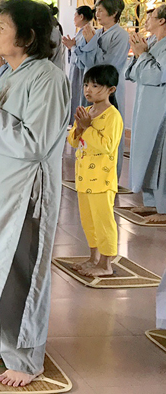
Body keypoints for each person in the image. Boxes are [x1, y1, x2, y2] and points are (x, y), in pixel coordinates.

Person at [0, 0, 70, 388]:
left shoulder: (48, 77)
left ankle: (27, 359)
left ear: (26, 36)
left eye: (2, 29)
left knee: (22, 272)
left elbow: (35, 144)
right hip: (0, 193)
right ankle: (3, 341)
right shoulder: (12, 74)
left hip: (27, 195)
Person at [67, 65, 123, 277]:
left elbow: (106, 146)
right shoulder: (87, 112)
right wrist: (80, 127)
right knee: (88, 221)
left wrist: (88, 127)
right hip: (83, 179)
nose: (88, 90)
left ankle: (106, 264)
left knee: (103, 221)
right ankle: (93, 258)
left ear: (111, 89)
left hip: (102, 180)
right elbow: (74, 142)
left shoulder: (112, 116)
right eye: (86, 85)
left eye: (96, 86)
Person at [70, 0, 128, 174]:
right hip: (91, 86)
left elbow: (107, 66)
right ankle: (88, 171)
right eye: (97, 11)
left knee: (108, 131)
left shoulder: (121, 35)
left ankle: (110, 175)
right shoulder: (97, 32)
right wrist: (80, 47)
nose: (97, 15)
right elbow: (83, 61)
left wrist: (91, 43)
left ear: (114, 13)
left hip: (108, 89)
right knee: (88, 125)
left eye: (101, 11)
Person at [126, 4, 166, 222]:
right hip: (146, 107)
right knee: (147, 155)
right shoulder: (152, 43)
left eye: (152, 16)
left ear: (162, 21)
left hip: (161, 111)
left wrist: (142, 54)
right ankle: (151, 202)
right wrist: (139, 53)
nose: (147, 20)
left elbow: (156, 75)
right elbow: (134, 74)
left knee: (161, 158)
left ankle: (164, 208)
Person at [62, 6, 95, 118]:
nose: (73, 19)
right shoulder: (80, 32)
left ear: (81, 17)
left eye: (75, 16)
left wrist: (72, 47)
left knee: (78, 98)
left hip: (81, 71)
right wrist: (71, 47)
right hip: (76, 70)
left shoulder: (88, 33)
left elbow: (83, 56)